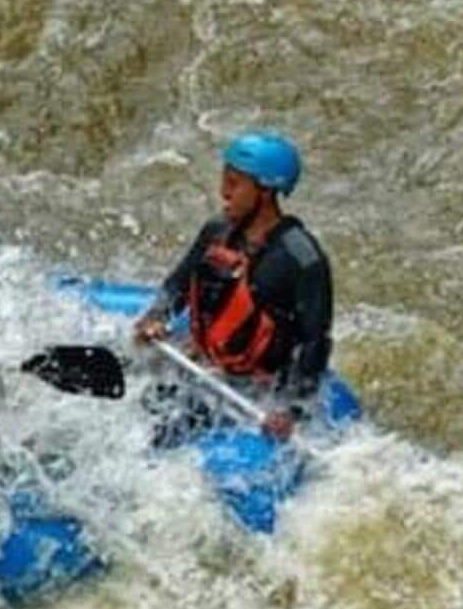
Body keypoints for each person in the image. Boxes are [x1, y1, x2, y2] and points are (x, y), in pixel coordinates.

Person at [133, 131, 332, 442]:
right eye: (225, 179)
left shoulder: (302, 259)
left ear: (265, 191)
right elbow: (177, 286)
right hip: (203, 365)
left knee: (169, 436)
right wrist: (157, 316)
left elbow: (314, 342)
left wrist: (291, 410)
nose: (224, 192)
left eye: (235, 183)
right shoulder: (217, 231)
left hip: (256, 388)